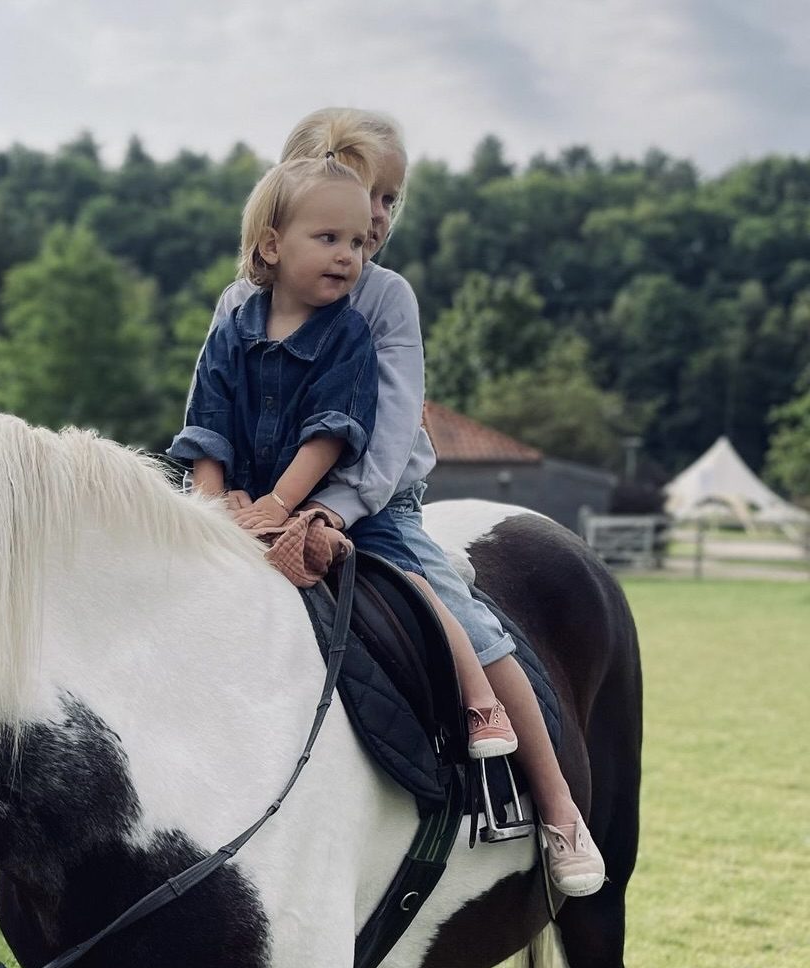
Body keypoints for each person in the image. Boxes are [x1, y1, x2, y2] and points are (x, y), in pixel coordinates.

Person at [202, 108, 604, 897]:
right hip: (255, 504)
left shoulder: (383, 300)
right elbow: (206, 408)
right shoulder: (234, 305)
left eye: (389, 200)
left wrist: (330, 510)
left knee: (469, 619)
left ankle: (559, 810)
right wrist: (220, 502)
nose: (376, 218)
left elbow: (383, 438)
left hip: (368, 503)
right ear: (283, 215)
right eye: (361, 194)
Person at [168, 150, 521, 765]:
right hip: (243, 501)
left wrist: (287, 505)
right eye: (330, 237)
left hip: (342, 504)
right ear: (273, 245)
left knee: (419, 587)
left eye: (357, 240)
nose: (351, 254)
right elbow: (208, 422)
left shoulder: (353, 327)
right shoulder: (232, 319)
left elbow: (332, 433)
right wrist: (213, 504)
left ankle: (485, 708)